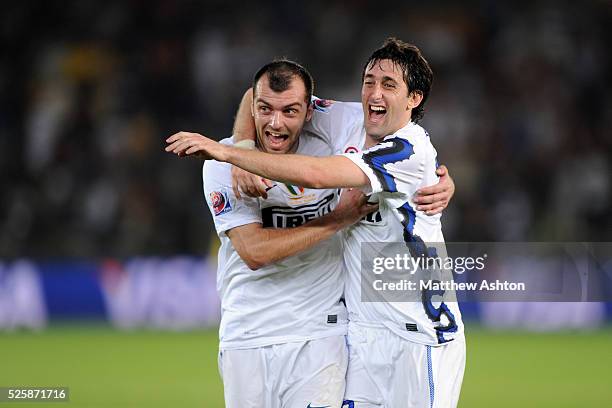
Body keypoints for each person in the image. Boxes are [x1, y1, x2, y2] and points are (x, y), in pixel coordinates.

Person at [167, 38, 465, 407]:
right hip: (360, 335)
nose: (374, 92)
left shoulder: (408, 148)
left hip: (418, 335)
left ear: (413, 99)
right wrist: (242, 148)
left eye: (389, 85)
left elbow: (318, 173)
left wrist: (229, 153)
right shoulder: (345, 121)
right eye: (369, 81)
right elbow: (261, 91)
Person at [202, 60, 377, 408]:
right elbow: (254, 252)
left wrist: (440, 177)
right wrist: (336, 220)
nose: (276, 123)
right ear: (253, 109)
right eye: (265, 110)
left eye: (290, 111)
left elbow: (405, 139)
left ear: (310, 111)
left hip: (320, 333)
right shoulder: (224, 162)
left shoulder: (335, 137)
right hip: (247, 333)